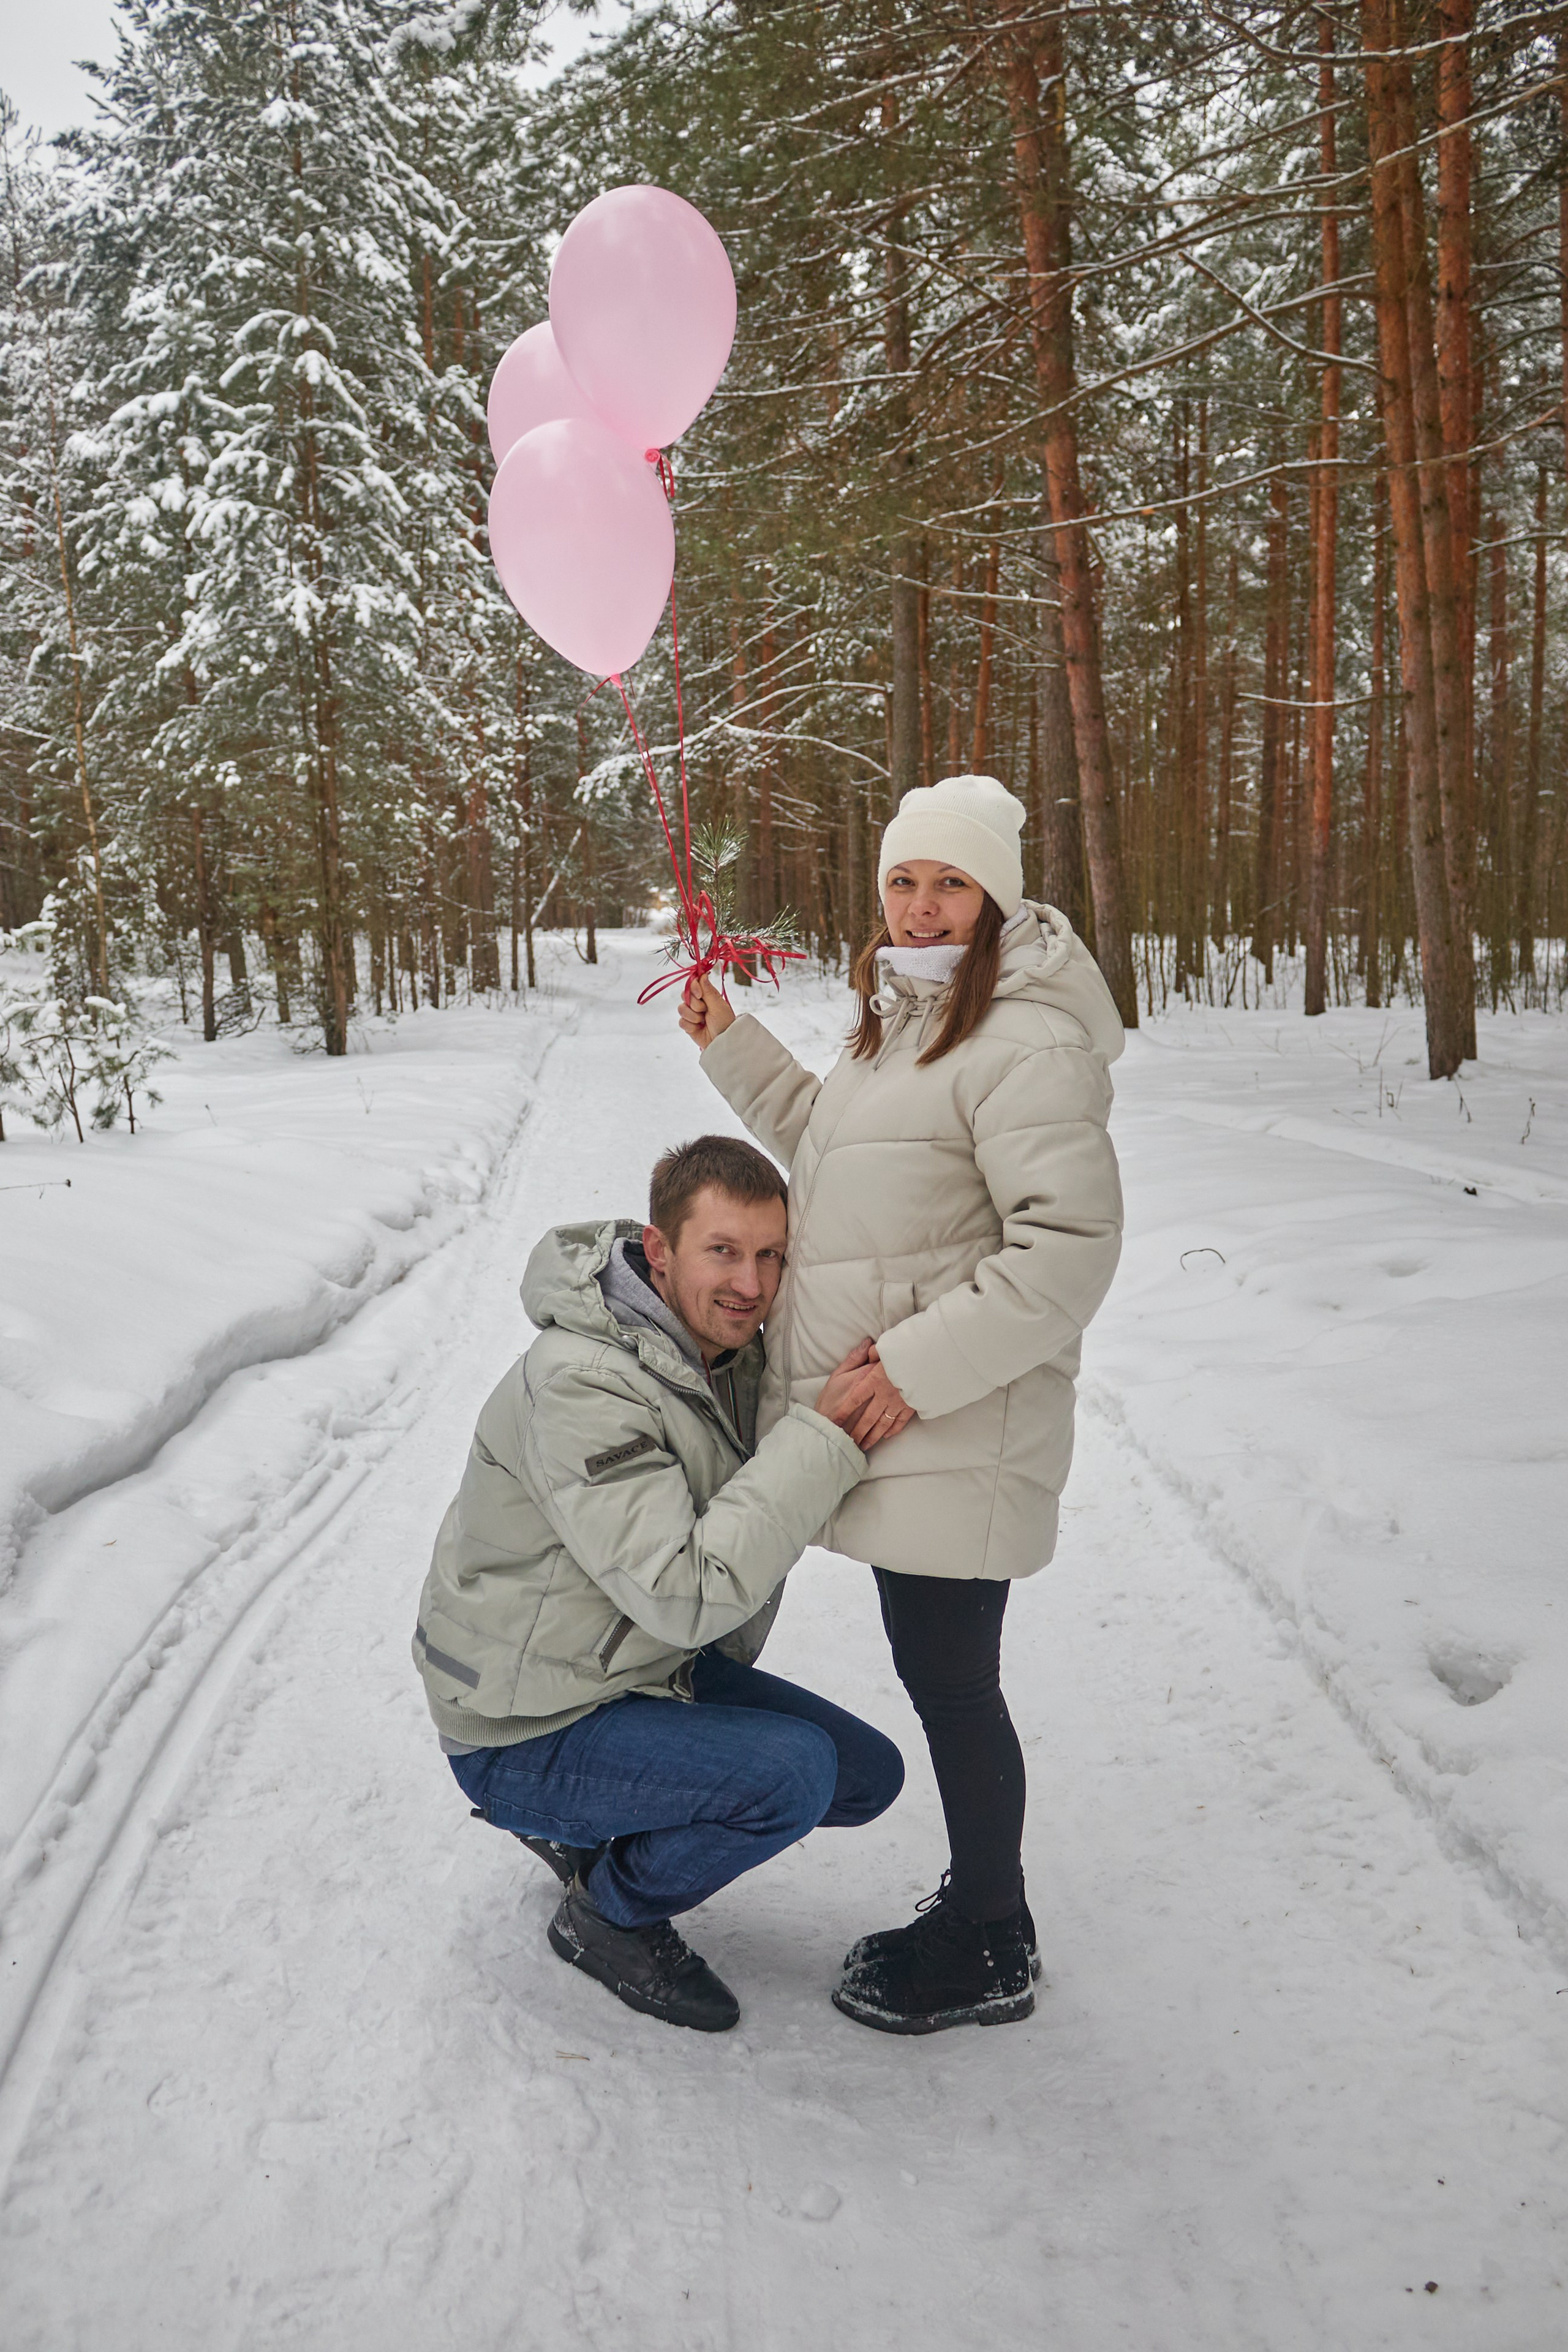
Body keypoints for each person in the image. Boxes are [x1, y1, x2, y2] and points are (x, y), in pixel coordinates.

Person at [679, 773, 1124, 2035]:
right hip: (900, 1425)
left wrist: (910, 1370)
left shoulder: (1022, 1038)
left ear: (996, 897)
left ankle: (990, 1936)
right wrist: (728, 1044)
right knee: (938, 1673)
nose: (922, 906)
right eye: (903, 881)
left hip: (946, 1419)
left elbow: (1068, 1250)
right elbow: (835, 1145)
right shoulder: (908, 1020)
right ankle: (989, 1916)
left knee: (949, 1680)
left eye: (950, 882)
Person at [412, 1134, 906, 2035]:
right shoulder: (583, 1384)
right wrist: (823, 1441)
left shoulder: (723, 1358)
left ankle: (595, 1828)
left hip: (633, 1669)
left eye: (770, 1256)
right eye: (723, 1251)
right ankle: (608, 1911)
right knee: (790, 1777)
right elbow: (683, 1593)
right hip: (526, 1724)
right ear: (660, 1248)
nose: (751, 1285)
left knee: (866, 1777)